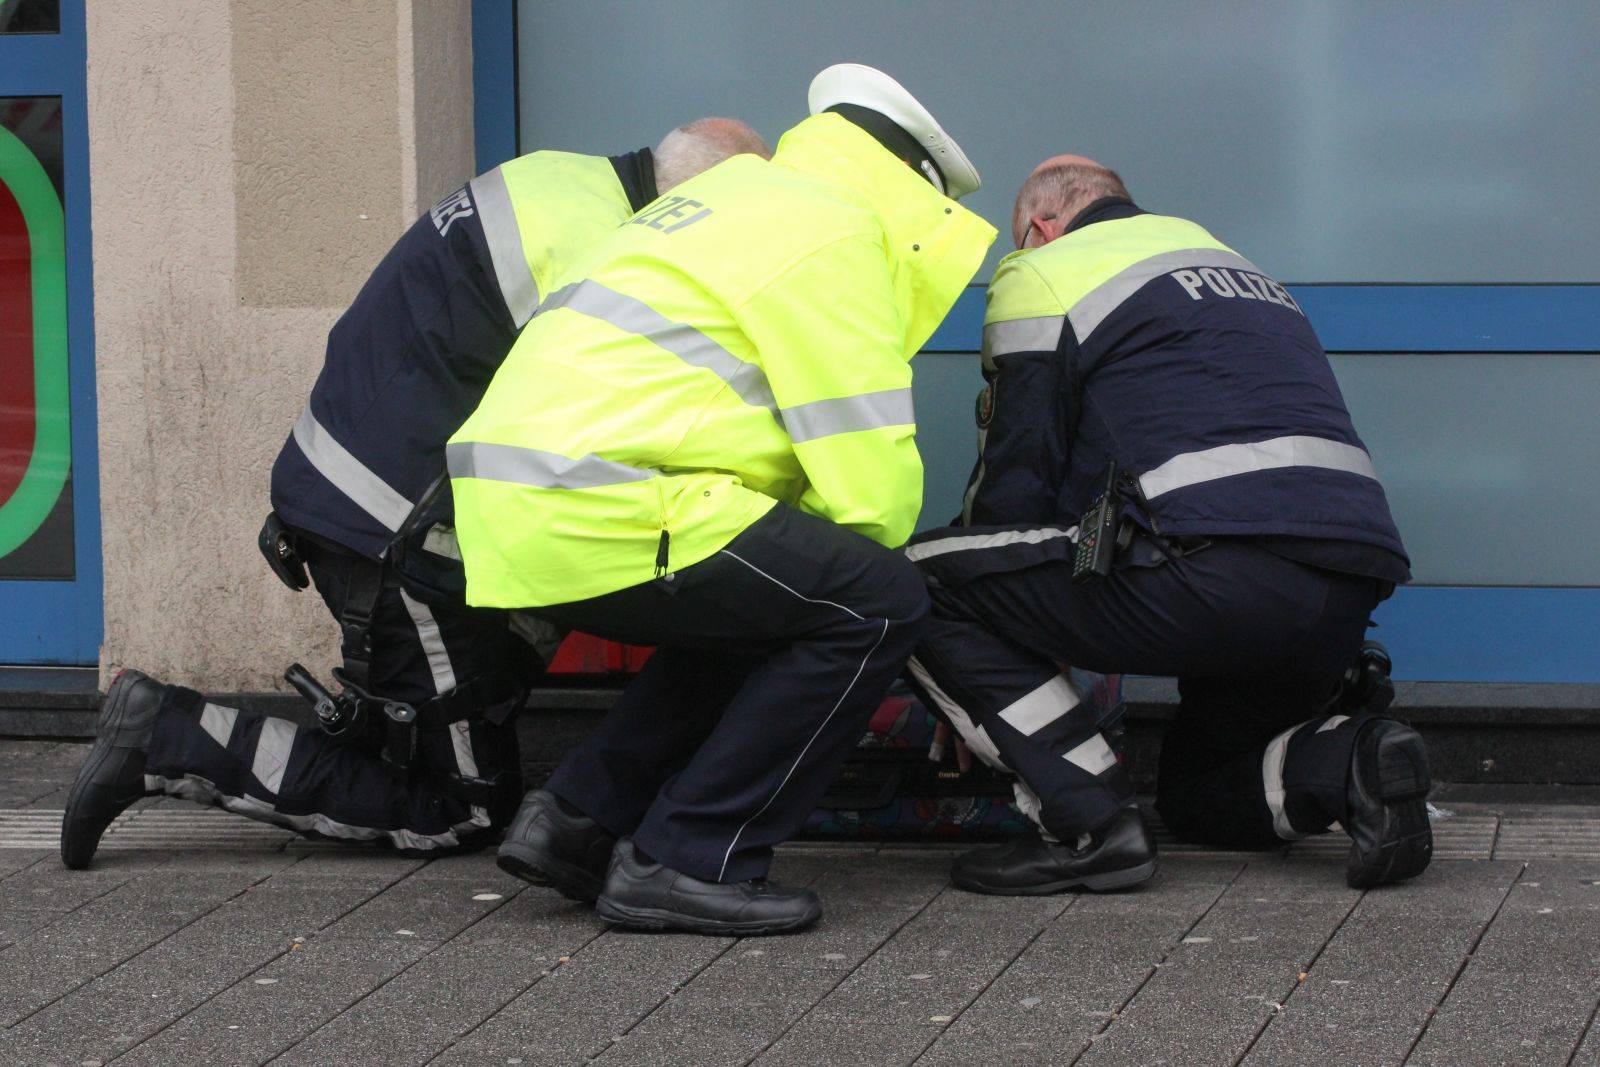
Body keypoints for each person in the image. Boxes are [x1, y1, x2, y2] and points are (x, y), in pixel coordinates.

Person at [59, 119, 770, 867]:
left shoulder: (560, 177)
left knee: (490, 665)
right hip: (394, 530)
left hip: (352, 485)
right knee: (461, 807)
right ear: (702, 202)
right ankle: (164, 736)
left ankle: (387, 734)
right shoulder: (614, 251)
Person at [459, 63, 995, 935]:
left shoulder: (730, 202)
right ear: (911, 192)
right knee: (876, 600)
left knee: (782, 597)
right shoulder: (834, 229)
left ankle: (577, 819)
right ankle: (689, 857)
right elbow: (870, 482)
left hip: (525, 496)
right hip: (605, 491)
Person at [904, 156, 1430, 896]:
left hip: (1207, 572)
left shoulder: (1047, 269)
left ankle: (1091, 821)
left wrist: (990, 660)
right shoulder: (1236, 266)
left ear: (1039, 228)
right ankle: (1355, 760)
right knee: (1201, 793)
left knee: (912, 579)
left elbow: (1016, 478)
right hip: (1344, 588)